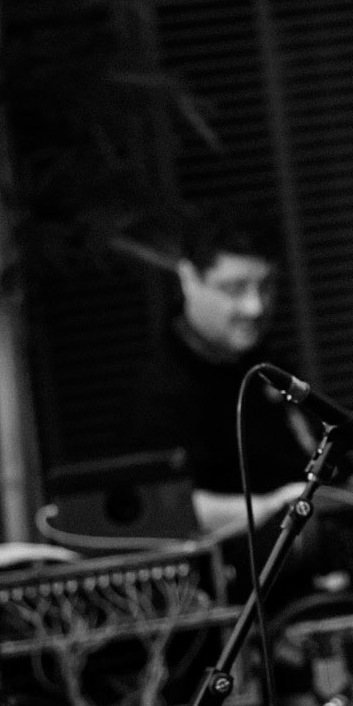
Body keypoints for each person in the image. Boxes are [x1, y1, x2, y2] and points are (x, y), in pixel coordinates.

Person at [125, 208, 311, 537]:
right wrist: (274, 507)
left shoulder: (269, 363)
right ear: (189, 279)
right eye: (235, 288)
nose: (255, 307)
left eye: (267, 286)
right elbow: (164, 507)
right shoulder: (160, 390)